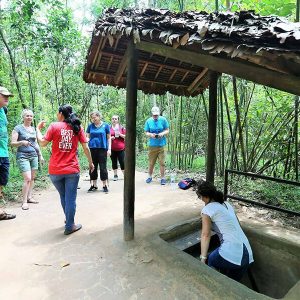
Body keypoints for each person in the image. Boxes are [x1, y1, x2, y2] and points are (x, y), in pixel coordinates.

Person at [36, 104, 94, 235]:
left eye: (57, 113)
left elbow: (43, 143)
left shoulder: (54, 126)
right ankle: (69, 225)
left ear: (61, 114)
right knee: (70, 199)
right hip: (72, 170)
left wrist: (37, 129)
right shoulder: (77, 128)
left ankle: (68, 220)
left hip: (55, 171)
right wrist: (91, 163)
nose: (57, 115)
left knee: (64, 196)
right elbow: (86, 148)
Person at [195, 180, 254, 281]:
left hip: (234, 253)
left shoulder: (207, 209)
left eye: (200, 197)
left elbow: (205, 234)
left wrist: (203, 258)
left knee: (211, 260)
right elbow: (236, 225)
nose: (200, 199)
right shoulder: (227, 204)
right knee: (233, 285)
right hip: (248, 254)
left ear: (205, 197)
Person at [11, 109, 44, 210]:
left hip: (34, 155)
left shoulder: (33, 129)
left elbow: (36, 144)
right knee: (27, 178)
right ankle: (24, 201)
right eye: (27, 116)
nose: (29, 117)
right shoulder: (18, 128)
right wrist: (21, 142)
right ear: (23, 117)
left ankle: (29, 197)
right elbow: (12, 143)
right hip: (22, 156)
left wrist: (40, 155)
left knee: (32, 178)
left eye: (31, 116)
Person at [0, 86, 16, 221]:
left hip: (3, 152)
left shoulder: (4, 110)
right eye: (4, 95)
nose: (7, 98)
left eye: (8, 96)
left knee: (1, 181)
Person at [86, 111, 111, 193]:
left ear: (99, 117)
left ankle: (104, 185)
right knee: (93, 166)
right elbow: (87, 137)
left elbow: (108, 138)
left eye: (94, 117)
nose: (93, 119)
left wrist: (109, 149)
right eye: (92, 118)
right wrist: (86, 142)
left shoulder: (106, 125)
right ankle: (94, 185)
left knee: (103, 167)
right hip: (92, 148)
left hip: (102, 148)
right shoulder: (90, 126)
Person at [144, 106, 169, 185]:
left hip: (162, 145)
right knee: (151, 162)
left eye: (157, 115)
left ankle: (163, 178)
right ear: (152, 114)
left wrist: (162, 133)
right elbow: (146, 132)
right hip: (152, 145)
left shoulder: (163, 120)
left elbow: (167, 130)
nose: (155, 116)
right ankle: (149, 176)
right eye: (154, 115)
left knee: (162, 162)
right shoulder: (148, 121)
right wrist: (151, 135)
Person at [110, 115, 126, 181]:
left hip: (121, 148)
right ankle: (115, 175)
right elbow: (106, 137)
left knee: (122, 162)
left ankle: (125, 175)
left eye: (115, 119)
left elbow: (126, 136)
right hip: (112, 148)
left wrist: (120, 134)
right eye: (113, 119)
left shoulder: (122, 128)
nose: (114, 120)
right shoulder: (109, 127)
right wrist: (110, 138)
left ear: (118, 120)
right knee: (114, 162)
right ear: (111, 120)